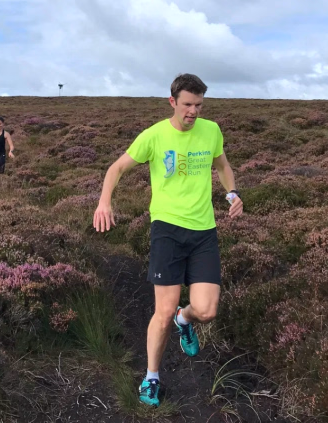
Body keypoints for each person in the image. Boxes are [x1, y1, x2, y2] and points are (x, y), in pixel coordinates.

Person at [92, 73, 244, 407]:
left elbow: (222, 166)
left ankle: (184, 319)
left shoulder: (211, 131)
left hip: (204, 231)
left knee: (206, 310)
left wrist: (232, 192)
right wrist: (104, 202)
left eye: (199, 105)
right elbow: (116, 168)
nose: (193, 112)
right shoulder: (154, 135)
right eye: (187, 104)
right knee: (162, 311)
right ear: (172, 101)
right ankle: (152, 377)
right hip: (167, 230)